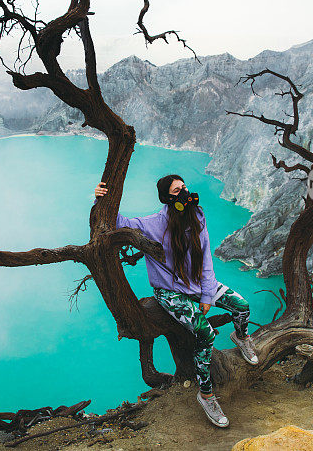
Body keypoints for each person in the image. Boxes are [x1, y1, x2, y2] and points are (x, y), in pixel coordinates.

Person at [94, 174, 258, 428]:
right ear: (167, 198)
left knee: (242, 307)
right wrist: (99, 202)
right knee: (205, 333)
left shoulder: (197, 216)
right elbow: (119, 223)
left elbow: (205, 260)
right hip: (171, 292)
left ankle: (242, 337)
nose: (184, 192)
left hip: (198, 284)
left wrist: (206, 294)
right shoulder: (154, 223)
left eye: (184, 187)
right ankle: (206, 395)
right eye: (177, 190)